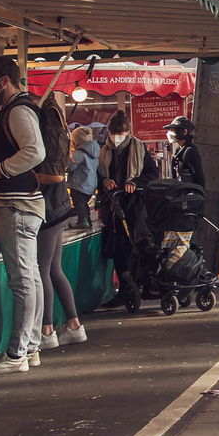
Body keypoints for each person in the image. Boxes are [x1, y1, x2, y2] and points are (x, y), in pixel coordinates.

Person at [0, 57, 47, 375]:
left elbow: (34, 150)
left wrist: (1, 169)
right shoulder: (10, 109)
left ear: (3, 81)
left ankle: (17, 352)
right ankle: (30, 348)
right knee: (29, 277)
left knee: (22, 281)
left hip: (16, 205)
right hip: (20, 205)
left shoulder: (17, 109)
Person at [36, 93, 87, 354]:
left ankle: (46, 330)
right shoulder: (61, 134)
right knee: (54, 270)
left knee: (43, 270)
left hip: (47, 209)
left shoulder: (43, 136)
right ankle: (74, 325)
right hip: (60, 207)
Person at [98, 110, 156, 308]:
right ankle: (123, 290)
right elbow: (98, 177)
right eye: (113, 134)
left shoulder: (139, 149)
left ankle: (139, 285)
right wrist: (105, 182)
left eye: (120, 133)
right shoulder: (105, 152)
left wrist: (135, 182)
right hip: (114, 208)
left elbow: (152, 175)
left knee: (135, 246)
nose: (116, 138)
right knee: (117, 250)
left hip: (135, 206)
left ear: (127, 132)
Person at [67, 125, 99, 230]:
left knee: (79, 204)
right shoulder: (94, 153)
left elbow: (68, 167)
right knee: (84, 204)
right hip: (90, 185)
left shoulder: (78, 153)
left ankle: (83, 220)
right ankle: (87, 220)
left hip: (79, 184)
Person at [163, 116, 205, 187]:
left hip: (188, 194)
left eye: (173, 130)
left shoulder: (190, 151)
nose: (169, 133)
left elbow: (199, 177)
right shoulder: (178, 151)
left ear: (184, 132)